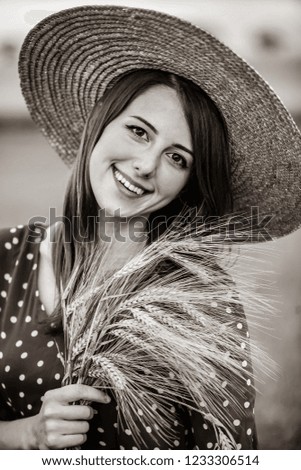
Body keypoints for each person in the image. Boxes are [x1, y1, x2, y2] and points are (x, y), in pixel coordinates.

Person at [0, 5, 300, 450]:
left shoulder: (199, 298)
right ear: (99, 125)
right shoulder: (8, 254)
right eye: (139, 131)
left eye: (177, 158)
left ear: (188, 184)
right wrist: (25, 435)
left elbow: (228, 454)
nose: (145, 166)